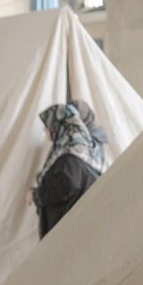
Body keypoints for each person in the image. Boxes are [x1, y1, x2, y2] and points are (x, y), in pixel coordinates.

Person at [32, 100, 109, 237]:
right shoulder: (89, 155)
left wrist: (36, 195)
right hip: (80, 230)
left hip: (67, 233)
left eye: (48, 125)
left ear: (60, 126)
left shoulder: (70, 157)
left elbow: (68, 183)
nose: (45, 130)